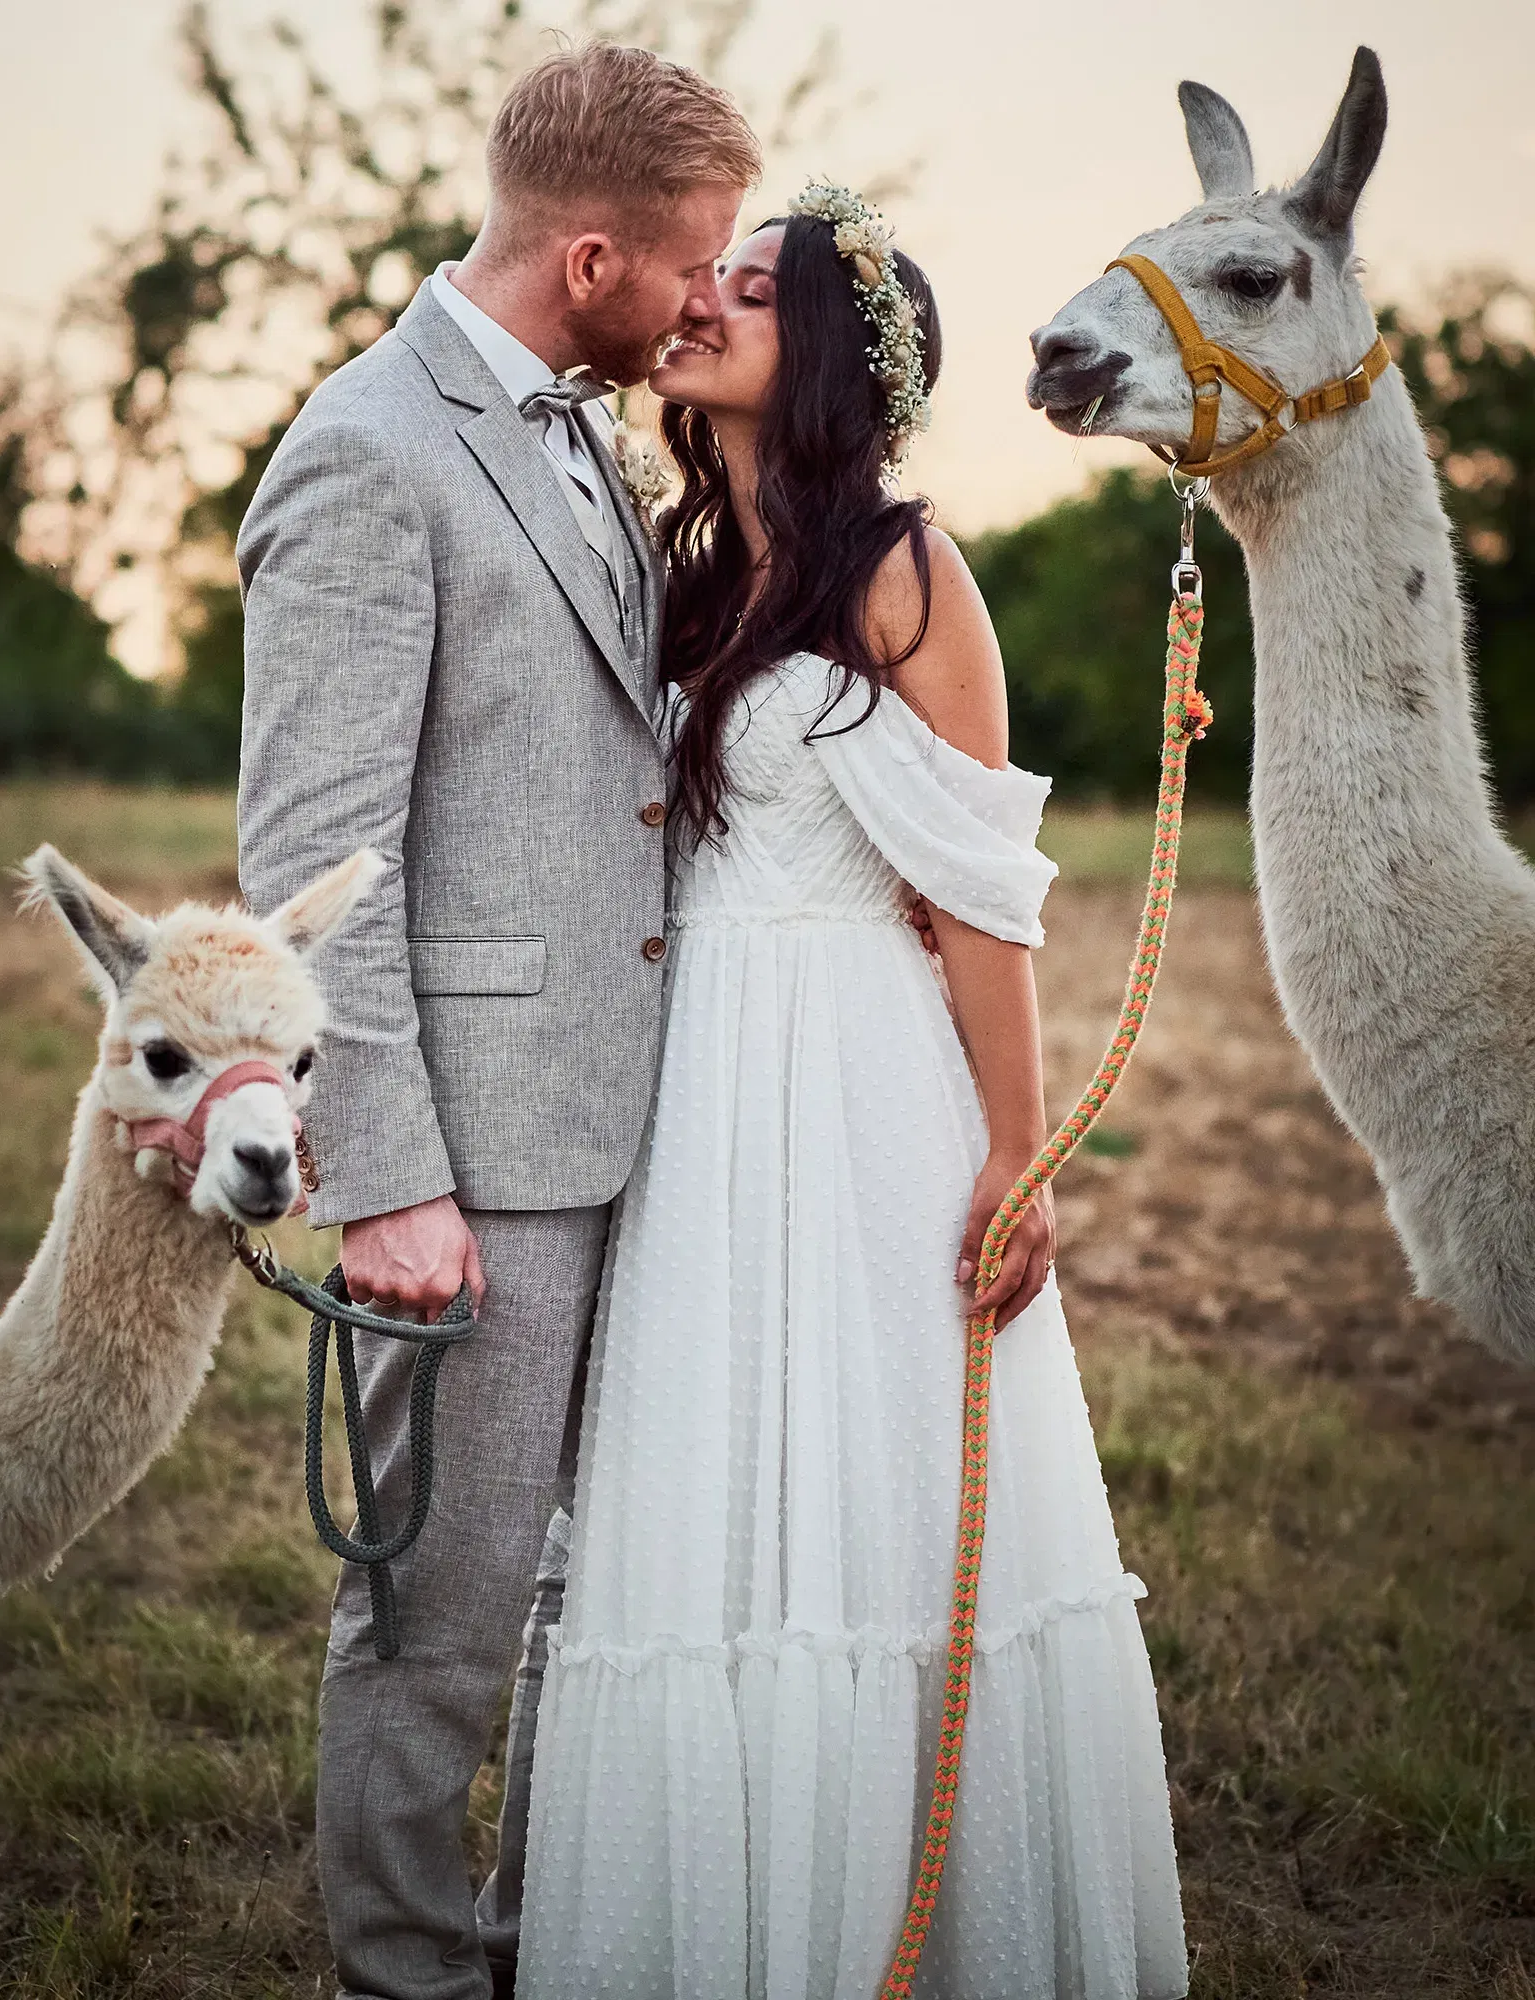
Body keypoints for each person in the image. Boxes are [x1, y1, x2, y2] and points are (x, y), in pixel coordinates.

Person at [518, 190, 1190, 2000]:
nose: (703, 302)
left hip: (859, 1088)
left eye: (751, 289)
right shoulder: (684, 564)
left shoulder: (905, 569)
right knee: (710, 1495)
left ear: (822, 353)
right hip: (699, 1089)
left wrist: (1019, 1153)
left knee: (873, 1504)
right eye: (710, 277)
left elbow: (978, 894)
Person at [235, 42, 762, 2000]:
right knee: (436, 1617)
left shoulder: (582, 433)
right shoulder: (366, 451)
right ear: (593, 258)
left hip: (633, 1122)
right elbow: (315, 861)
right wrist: (385, 1178)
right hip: (469, 1152)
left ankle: (545, 1951)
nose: (706, 300)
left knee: (586, 1599)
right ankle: (401, 1974)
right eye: (693, 262)